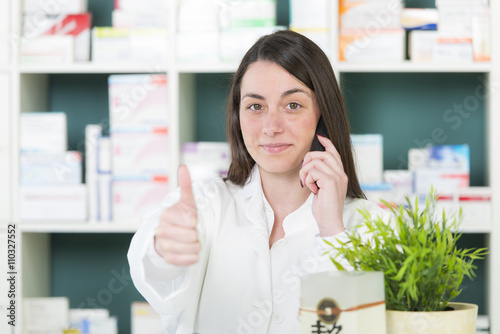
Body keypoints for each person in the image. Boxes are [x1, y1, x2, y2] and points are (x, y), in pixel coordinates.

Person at [128, 29, 389, 334]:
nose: (271, 126)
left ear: (322, 113)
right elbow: (155, 276)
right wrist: (165, 249)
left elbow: (349, 328)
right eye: (255, 106)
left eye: (292, 105)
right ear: (237, 116)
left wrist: (333, 234)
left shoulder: (370, 225)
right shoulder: (204, 204)